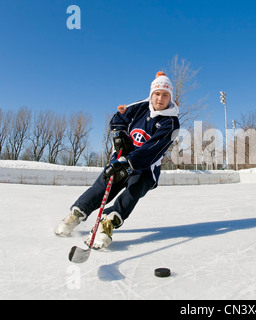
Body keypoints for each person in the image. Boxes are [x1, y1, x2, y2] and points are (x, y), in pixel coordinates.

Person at [54, 71, 180, 249]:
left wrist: (128, 163)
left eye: (165, 95)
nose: (160, 98)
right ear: (151, 94)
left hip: (145, 169)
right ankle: (76, 215)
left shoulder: (171, 122)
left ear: (170, 97)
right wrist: (119, 133)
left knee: (132, 193)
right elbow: (119, 117)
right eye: (157, 94)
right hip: (121, 158)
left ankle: (107, 224)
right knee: (103, 186)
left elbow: (152, 150)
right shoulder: (140, 107)